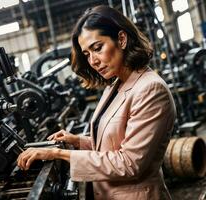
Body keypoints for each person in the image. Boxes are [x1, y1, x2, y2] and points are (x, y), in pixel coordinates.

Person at [17, 5, 176, 200]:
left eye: (97, 48)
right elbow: (114, 142)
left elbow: (129, 163)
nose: (93, 61)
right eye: (87, 54)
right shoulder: (115, 84)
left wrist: (58, 154)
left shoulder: (150, 89)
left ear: (122, 39)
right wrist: (78, 141)